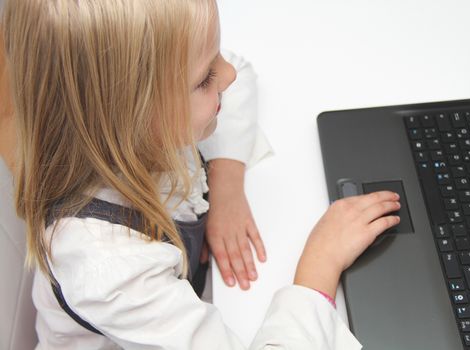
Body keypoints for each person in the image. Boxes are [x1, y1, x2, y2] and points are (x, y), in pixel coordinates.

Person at [2, 0, 401, 349]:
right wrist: (321, 264)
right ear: (130, 116)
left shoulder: (120, 133)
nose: (226, 75)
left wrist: (226, 189)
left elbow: (239, 73)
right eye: (205, 78)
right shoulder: (108, 266)